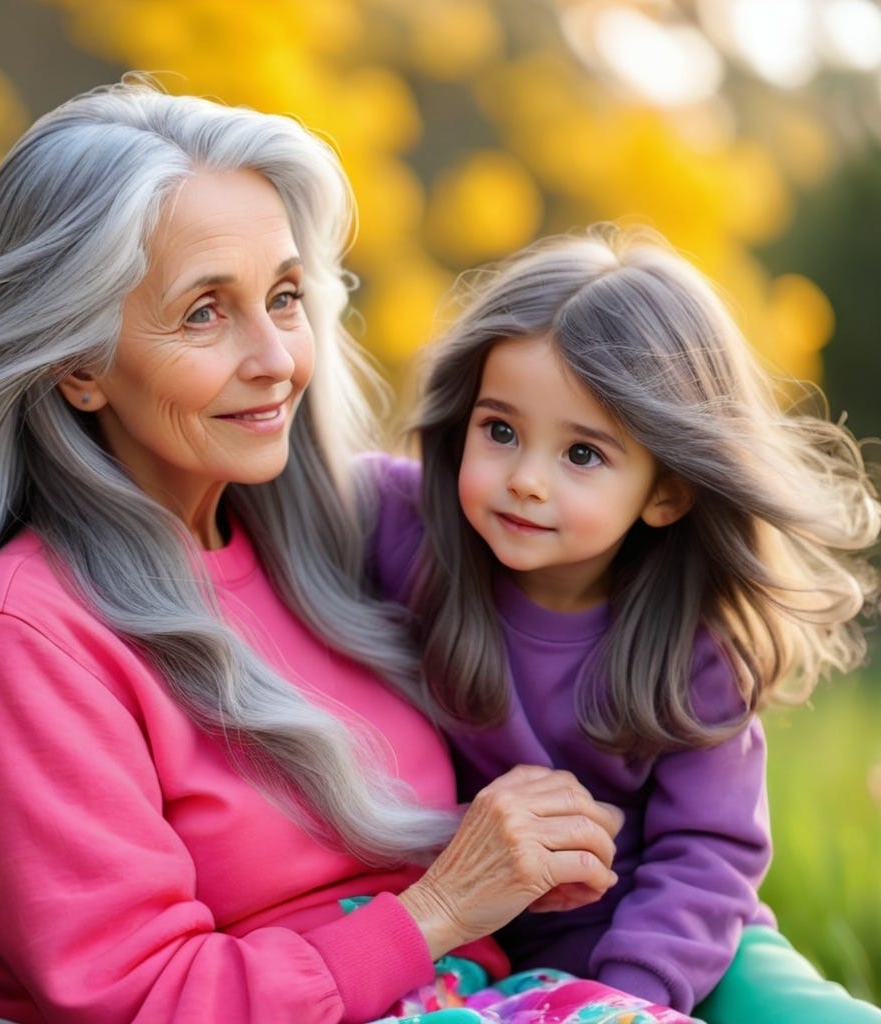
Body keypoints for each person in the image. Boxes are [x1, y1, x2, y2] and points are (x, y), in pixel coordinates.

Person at [0, 80, 705, 1024]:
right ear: (77, 364)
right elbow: (134, 998)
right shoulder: (31, 632)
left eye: (286, 296)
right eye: (205, 313)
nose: (276, 358)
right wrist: (436, 910)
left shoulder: (327, 538)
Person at [364, 224, 881, 1020]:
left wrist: (625, 1000)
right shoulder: (402, 532)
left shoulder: (698, 651)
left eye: (582, 455)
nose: (526, 480)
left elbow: (706, 858)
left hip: (677, 946)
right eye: (500, 430)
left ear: (666, 492)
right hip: (465, 937)